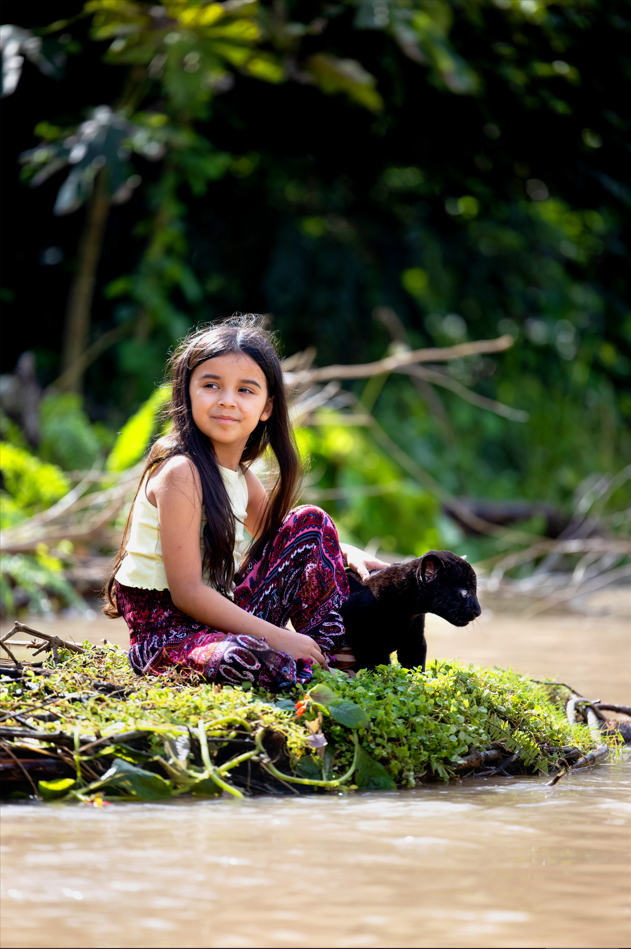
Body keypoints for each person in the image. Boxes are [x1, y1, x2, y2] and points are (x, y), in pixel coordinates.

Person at [103, 315, 388, 689]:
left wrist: (345, 551)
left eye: (245, 390)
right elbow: (187, 592)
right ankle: (299, 663)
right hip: (167, 637)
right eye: (211, 385)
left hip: (219, 622)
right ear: (186, 392)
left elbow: (289, 536)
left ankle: (334, 658)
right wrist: (279, 637)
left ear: (267, 407)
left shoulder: (238, 474)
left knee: (312, 522)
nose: (227, 401)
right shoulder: (181, 472)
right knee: (246, 658)